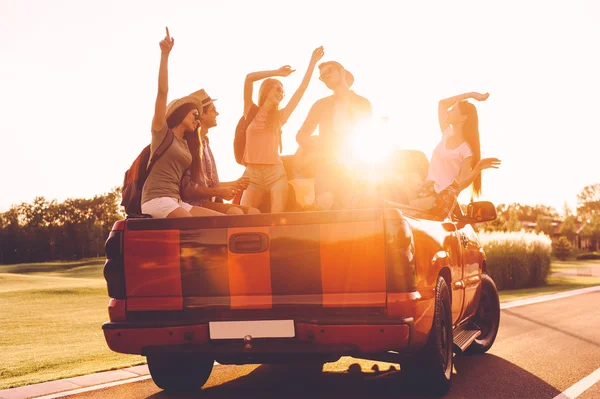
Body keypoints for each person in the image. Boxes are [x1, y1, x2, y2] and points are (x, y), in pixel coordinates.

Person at [140, 28, 223, 219]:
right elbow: (162, 92)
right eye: (195, 114)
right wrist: (165, 55)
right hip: (156, 199)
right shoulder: (162, 133)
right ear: (182, 113)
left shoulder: (188, 144)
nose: (198, 119)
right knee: (194, 226)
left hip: (175, 200)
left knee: (219, 222)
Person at [240, 46, 325, 213]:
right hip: (252, 175)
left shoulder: (280, 116)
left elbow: (301, 89)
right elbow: (249, 79)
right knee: (243, 216)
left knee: (276, 219)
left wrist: (313, 62)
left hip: (276, 174)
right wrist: (277, 73)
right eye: (277, 89)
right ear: (266, 90)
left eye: (283, 92)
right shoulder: (250, 111)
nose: (281, 93)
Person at [406, 91, 501, 216]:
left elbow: (461, 184)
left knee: (405, 208)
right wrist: (471, 95)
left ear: (463, 117)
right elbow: (442, 104)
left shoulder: (466, 150)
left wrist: (478, 168)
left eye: (453, 109)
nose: (449, 111)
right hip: (426, 189)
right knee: (398, 185)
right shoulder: (447, 133)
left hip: (439, 199)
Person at [295, 60, 372, 211]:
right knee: (325, 204)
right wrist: (314, 146)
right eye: (322, 77)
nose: (325, 77)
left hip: (354, 166)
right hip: (327, 166)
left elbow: (368, 137)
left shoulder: (363, 103)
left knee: (354, 209)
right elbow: (301, 135)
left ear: (342, 71)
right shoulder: (320, 104)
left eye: (328, 72)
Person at [181, 90, 260, 215]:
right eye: (213, 110)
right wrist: (220, 192)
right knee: (236, 212)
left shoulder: (205, 143)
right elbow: (188, 189)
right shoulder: (188, 145)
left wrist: (233, 184)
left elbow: (209, 186)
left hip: (208, 203)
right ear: (201, 115)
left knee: (254, 213)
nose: (217, 113)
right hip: (195, 205)